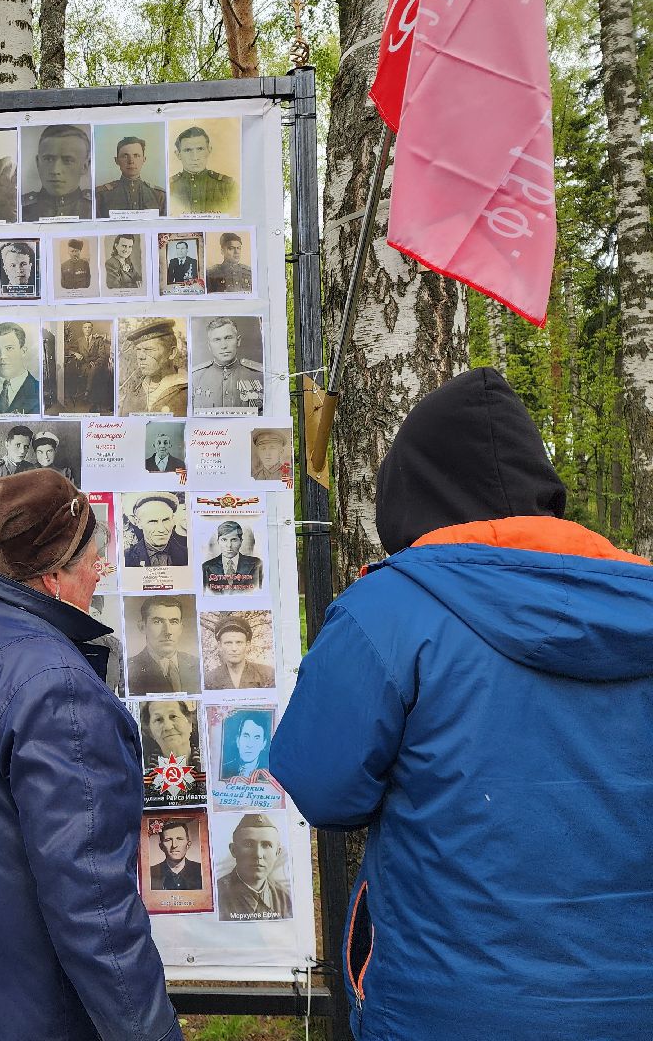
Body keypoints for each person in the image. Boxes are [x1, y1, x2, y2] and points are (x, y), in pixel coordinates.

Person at [268, 367, 653, 1038]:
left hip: (443, 1001)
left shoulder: (386, 613)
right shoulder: (637, 603)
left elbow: (324, 790)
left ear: (409, 496)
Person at [0, 469, 181, 1041]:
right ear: (54, 574)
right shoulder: (55, 683)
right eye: (93, 556)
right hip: (28, 1002)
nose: (100, 567)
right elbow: (92, 897)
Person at [214, 813, 290, 922]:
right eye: (248, 844)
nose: (258, 854)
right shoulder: (216, 895)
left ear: (277, 852)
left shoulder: (285, 898)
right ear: (234, 850)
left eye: (266, 845)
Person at [189, 316, 264, 415]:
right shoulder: (195, 377)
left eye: (228, 338)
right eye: (217, 340)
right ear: (209, 346)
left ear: (238, 341)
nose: (223, 346)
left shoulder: (259, 375)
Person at [128, 596, 198, 695]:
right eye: (158, 622)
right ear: (142, 627)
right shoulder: (129, 669)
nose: (168, 632)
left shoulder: (197, 664)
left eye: (174, 622)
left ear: (181, 628)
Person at [21, 124, 92, 220]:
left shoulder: (98, 207)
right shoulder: (20, 209)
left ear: (85, 166)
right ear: (38, 163)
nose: (55, 170)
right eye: (48, 159)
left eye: (68, 160)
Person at [122, 320, 188, 415]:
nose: (141, 356)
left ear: (172, 353)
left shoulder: (189, 392)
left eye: (149, 350)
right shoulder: (133, 393)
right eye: (138, 350)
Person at [168, 125, 236, 215]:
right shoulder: (169, 187)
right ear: (178, 154)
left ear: (209, 150)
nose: (195, 157)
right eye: (188, 150)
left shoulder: (228, 186)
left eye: (200, 149)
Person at [96, 135, 168, 216]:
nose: (131, 161)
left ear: (144, 159)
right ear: (117, 160)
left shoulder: (159, 196)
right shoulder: (101, 195)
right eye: (125, 156)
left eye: (136, 155)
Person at [203, 616, 273, 689]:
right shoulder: (209, 680)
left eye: (239, 642)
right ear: (220, 646)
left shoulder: (267, 675)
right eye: (228, 643)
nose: (234, 649)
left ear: (247, 645)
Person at [125, 494, 188, 570]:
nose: (161, 529)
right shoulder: (126, 558)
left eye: (166, 520)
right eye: (153, 521)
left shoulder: (187, 555)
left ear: (173, 519)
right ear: (138, 523)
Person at [201, 520, 262, 594]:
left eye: (234, 540)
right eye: (224, 540)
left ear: (241, 541)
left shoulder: (256, 564)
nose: (229, 545)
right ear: (218, 541)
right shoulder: (206, 567)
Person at [151, 820, 202, 891]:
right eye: (168, 840)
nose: (174, 845)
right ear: (161, 846)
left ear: (188, 845)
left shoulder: (201, 871)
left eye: (180, 839)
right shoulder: (150, 874)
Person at [222, 712, 271, 780]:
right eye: (246, 736)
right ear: (238, 740)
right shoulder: (224, 770)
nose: (249, 745)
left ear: (263, 744)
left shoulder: (269, 774)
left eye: (256, 738)